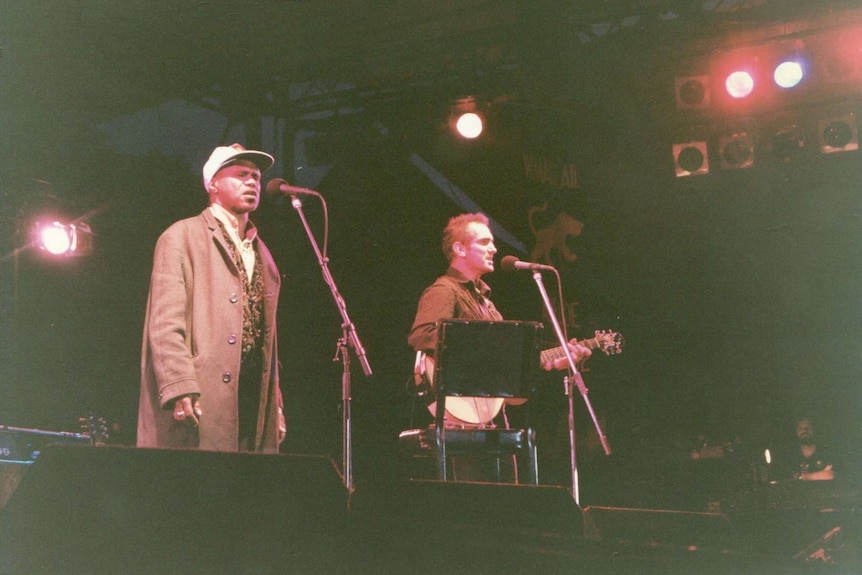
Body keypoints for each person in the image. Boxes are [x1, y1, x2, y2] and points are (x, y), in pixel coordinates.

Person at [407, 213, 591, 480]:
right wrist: (482, 353)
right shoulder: (444, 290)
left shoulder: (487, 304)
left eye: (492, 242)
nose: (493, 248)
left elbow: (507, 364)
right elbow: (421, 335)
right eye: (484, 242)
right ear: (459, 249)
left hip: (491, 419)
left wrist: (552, 361)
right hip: (456, 419)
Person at [137, 143, 286, 453]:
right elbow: (165, 324)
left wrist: (276, 405)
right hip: (203, 395)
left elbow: (266, 339)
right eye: (241, 174)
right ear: (213, 184)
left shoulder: (263, 253)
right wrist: (180, 387)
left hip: (250, 400)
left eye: (256, 177)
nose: (252, 182)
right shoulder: (182, 236)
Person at [783, 417, 834, 481]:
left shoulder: (825, 452)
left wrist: (802, 477)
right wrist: (817, 475)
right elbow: (784, 476)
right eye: (800, 428)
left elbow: (830, 475)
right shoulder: (789, 455)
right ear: (796, 431)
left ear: (814, 429)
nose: (804, 430)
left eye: (808, 427)